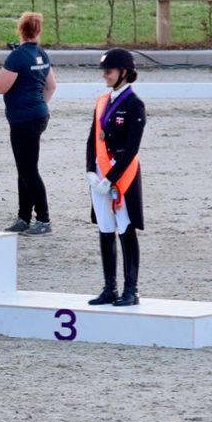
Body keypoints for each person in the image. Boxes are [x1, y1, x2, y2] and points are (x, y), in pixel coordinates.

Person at [0, 12, 58, 236]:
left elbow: (1, 86)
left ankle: (43, 217)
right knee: (25, 168)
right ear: (38, 31)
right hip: (37, 116)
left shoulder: (17, 57)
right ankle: (24, 216)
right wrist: (40, 104)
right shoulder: (41, 54)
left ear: (20, 30)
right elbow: (51, 86)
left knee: (28, 170)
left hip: (23, 120)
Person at [85, 49, 146, 306]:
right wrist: (90, 169)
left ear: (123, 72)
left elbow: (132, 148)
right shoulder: (102, 101)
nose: (104, 75)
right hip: (100, 173)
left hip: (122, 173)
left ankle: (130, 289)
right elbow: (92, 138)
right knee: (105, 228)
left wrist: (111, 178)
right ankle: (109, 287)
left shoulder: (134, 105)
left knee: (125, 228)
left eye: (108, 71)